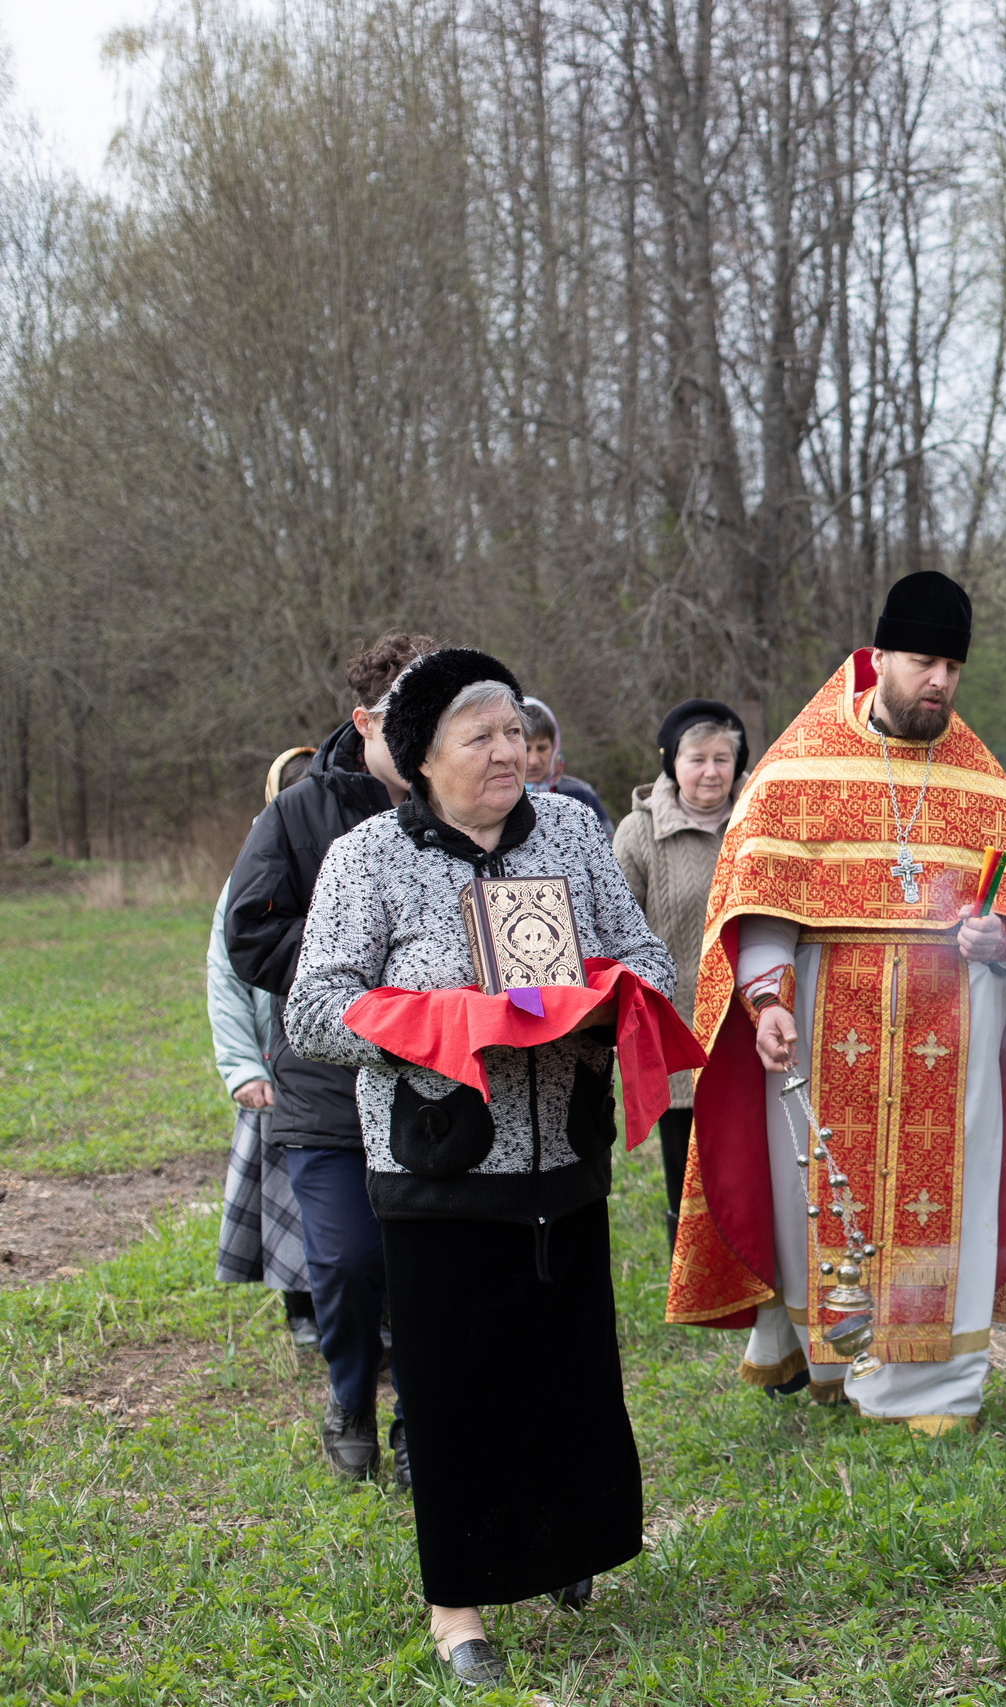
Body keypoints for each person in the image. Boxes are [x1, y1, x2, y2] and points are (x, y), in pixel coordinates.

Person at [284, 648, 681, 1692]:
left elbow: (647, 958)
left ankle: (562, 1550)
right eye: (481, 735)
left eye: (514, 731)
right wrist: (445, 1023)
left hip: (564, 1162)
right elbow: (312, 1010)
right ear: (420, 757)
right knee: (457, 1393)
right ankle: (455, 1606)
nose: (508, 751)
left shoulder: (574, 832)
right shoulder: (366, 857)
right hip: (438, 1170)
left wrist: (602, 1004)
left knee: (568, 1377)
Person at [665, 570, 1006, 1431]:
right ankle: (832, 1354)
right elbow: (763, 896)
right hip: (829, 1033)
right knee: (819, 1195)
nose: (940, 682)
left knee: (941, 1201)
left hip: (952, 1041)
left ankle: (928, 1388)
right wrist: (769, 998)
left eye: (954, 669)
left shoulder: (977, 776)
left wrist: (995, 940)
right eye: (926, 661)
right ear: (883, 654)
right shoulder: (803, 760)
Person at [225, 631, 440, 1482]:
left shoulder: (461, 806)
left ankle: (417, 1423)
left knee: (426, 1268)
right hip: (324, 1087)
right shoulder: (299, 814)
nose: (427, 736)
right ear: (366, 721)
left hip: (432, 1086)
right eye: (408, 719)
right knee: (347, 1265)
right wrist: (346, 982)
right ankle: (350, 1393)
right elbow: (248, 929)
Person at [612, 699, 749, 1249]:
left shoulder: (758, 823)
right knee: (685, 1157)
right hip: (677, 1024)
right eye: (697, 759)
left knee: (744, 1151)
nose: (711, 771)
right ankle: (688, 1263)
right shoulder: (639, 832)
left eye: (722, 758)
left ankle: (745, 1259)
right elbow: (615, 929)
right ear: (672, 763)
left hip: (747, 1022)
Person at [209, 747, 318, 1350]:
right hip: (273, 1071)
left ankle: (365, 1306)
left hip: (332, 1068)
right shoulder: (254, 869)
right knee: (284, 1195)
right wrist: (242, 1067)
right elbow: (224, 977)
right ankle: (299, 1305)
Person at [518, 696, 612, 830]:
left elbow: (608, 846)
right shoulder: (499, 802)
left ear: (555, 747)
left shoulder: (582, 795)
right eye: (526, 749)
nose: (534, 760)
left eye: (542, 748)